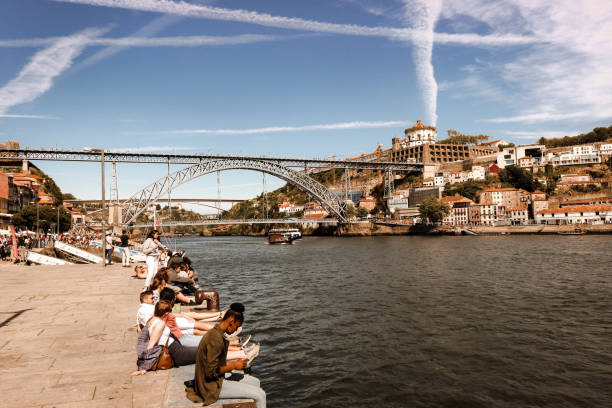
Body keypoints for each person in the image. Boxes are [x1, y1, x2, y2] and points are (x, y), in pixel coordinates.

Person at [194, 303, 266, 408]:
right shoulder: (215, 338)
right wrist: (233, 366)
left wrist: (234, 364)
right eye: (237, 326)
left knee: (255, 382)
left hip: (216, 378)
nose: (237, 330)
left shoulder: (219, 332)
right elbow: (210, 372)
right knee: (260, 395)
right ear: (231, 321)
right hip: (209, 387)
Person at [133, 300, 198, 376]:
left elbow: (145, 339)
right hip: (174, 352)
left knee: (201, 349)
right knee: (202, 351)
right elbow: (151, 344)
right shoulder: (160, 324)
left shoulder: (151, 320)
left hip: (175, 348)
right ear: (166, 313)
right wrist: (143, 367)